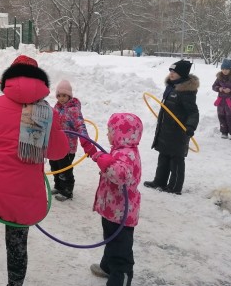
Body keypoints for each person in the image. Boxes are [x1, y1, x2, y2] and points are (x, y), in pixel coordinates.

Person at [0, 55, 69, 286]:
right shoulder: (48, 113)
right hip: (24, 194)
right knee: (17, 247)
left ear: (10, 78)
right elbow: (59, 152)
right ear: (39, 81)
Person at [84, 113, 143, 286]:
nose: (108, 134)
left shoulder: (127, 154)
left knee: (120, 249)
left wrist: (101, 158)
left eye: (110, 131)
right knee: (111, 240)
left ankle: (121, 278)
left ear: (122, 133)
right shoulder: (120, 151)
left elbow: (119, 174)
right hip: (113, 210)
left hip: (122, 214)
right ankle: (107, 267)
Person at [144, 60, 199, 195]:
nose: (171, 74)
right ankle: (159, 182)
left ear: (182, 74)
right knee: (163, 156)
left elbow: (193, 112)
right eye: (170, 71)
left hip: (179, 132)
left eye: (174, 72)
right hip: (166, 129)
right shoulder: (171, 87)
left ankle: (175, 187)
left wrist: (190, 126)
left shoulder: (186, 91)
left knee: (176, 159)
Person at [50, 79, 95, 201]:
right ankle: (58, 186)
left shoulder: (74, 110)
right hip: (56, 145)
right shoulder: (56, 107)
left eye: (64, 95)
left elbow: (81, 126)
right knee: (55, 167)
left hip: (68, 147)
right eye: (59, 95)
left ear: (69, 95)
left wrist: (87, 144)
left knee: (66, 169)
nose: (61, 98)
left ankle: (67, 190)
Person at [212, 58, 231, 140]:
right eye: (223, 69)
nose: (224, 71)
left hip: (230, 101)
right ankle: (224, 132)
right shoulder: (219, 78)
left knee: (230, 117)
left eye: (226, 69)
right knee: (221, 116)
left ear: (230, 69)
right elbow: (213, 86)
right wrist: (219, 88)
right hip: (220, 101)